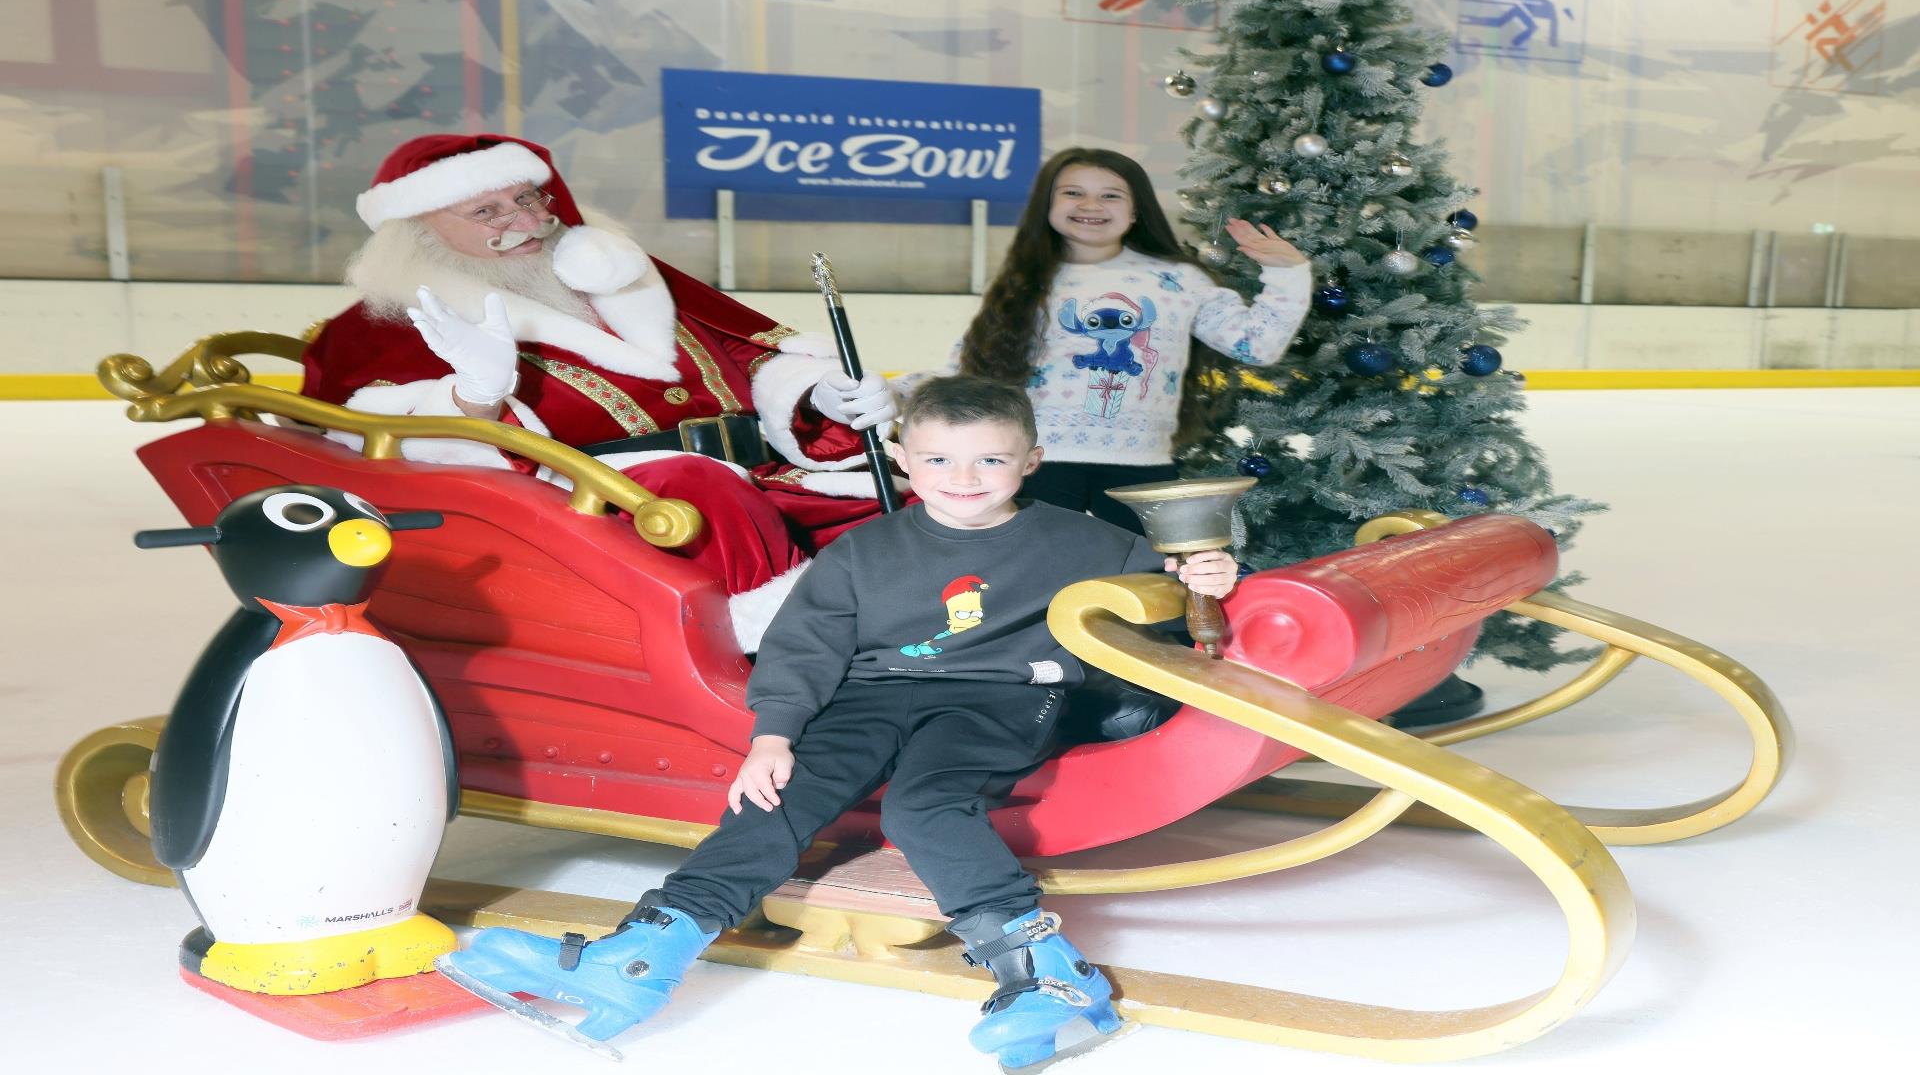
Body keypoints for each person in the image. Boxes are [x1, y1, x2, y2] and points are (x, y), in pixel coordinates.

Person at [440, 376, 1240, 1071]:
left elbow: (1168, 608)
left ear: (1030, 460)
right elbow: (805, 647)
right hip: (870, 694)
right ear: (902, 461)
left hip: (999, 695)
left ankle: (1045, 968)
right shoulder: (866, 551)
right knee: (776, 796)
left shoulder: (1088, 539)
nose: (963, 478)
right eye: (937, 460)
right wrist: (774, 735)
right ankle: (648, 949)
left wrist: (1205, 575)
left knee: (922, 806)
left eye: (991, 460)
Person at [299, 133, 898, 650]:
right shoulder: (380, 327)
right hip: (606, 512)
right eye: (487, 212)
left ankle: (937, 654)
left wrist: (818, 395)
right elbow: (377, 445)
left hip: (764, 475)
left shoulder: (619, 273)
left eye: (527, 198)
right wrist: (475, 395)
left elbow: (744, 348)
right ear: (418, 233)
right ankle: (783, 660)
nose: (528, 221)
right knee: (699, 490)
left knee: (930, 501)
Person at [910, 146, 1312, 534]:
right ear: (1047, 206)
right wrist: (889, 393)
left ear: (1136, 210)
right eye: (1073, 193)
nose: (1090, 205)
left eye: (1110, 195)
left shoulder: (1179, 281)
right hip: (1037, 465)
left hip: (1141, 466)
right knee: (1037, 588)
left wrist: (1287, 273)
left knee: (1143, 588)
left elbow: (1256, 345)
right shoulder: (1022, 284)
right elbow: (965, 373)